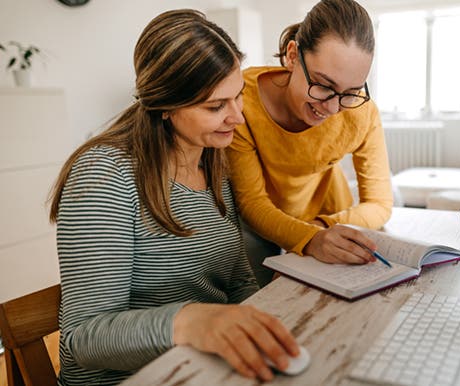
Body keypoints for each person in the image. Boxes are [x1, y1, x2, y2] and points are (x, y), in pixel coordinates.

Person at [48, 9, 298, 385]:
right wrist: (190, 320)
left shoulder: (213, 160)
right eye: (215, 107)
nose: (238, 118)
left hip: (203, 370)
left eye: (238, 97)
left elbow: (237, 281)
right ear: (165, 106)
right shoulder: (104, 175)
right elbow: (85, 336)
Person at [226, 0, 393, 274]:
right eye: (323, 85)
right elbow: (252, 203)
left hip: (331, 217)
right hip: (265, 223)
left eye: (350, 91)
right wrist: (310, 238)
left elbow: (380, 204)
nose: (332, 108)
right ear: (292, 56)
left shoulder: (361, 112)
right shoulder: (242, 101)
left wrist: (321, 229)